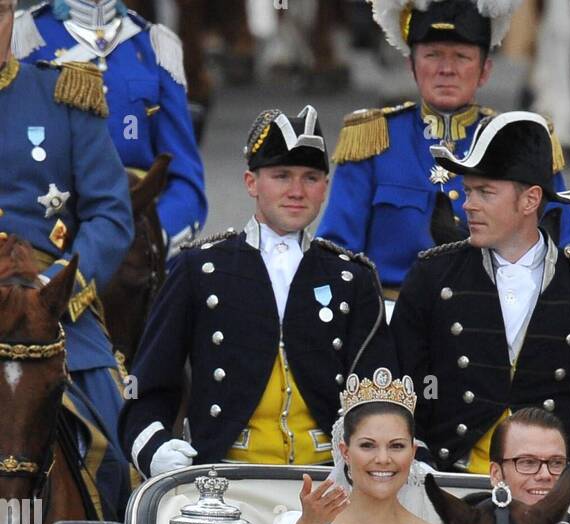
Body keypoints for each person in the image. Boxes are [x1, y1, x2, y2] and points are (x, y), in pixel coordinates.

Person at [120, 105, 396, 481]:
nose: (297, 191)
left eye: (311, 177)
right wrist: (153, 449)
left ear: (325, 188)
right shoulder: (199, 270)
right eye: (281, 176)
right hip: (224, 478)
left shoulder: (352, 277)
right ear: (252, 183)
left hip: (329, 482)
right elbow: (147, 386)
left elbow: (380, 394)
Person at [392, 110, 570, 484]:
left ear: (530, 200)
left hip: (560, 492)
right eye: (469, 190)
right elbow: (400, 391)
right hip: (454, 482)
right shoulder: (431, 279)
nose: (468, 204)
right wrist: (418, 459)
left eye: (485, 192)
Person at [317, 0, 570, 295]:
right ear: (412, 66)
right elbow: (334, 255)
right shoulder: (373, 141)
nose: (447, 69)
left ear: (484, 70)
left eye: (462, 57)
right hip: (393, 324)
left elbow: (560, 253)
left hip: (493, 322)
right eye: (432, 55)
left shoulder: (522, 142)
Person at [0, 0, 134, 517]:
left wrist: (56, 283)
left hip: (53, 307)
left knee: (117, 446)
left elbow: (111, 216)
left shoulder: (62, 95)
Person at [13, 0, 207, 257]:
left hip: (138, 241)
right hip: (51, 236)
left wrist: (153, 238)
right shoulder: (22, 38)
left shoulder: (154, 45)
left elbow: (185, 179)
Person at [261, 369, 444, 524]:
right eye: (367, 445)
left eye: (396, 446)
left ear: (413, 453)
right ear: (345, 452)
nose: (383, 459)